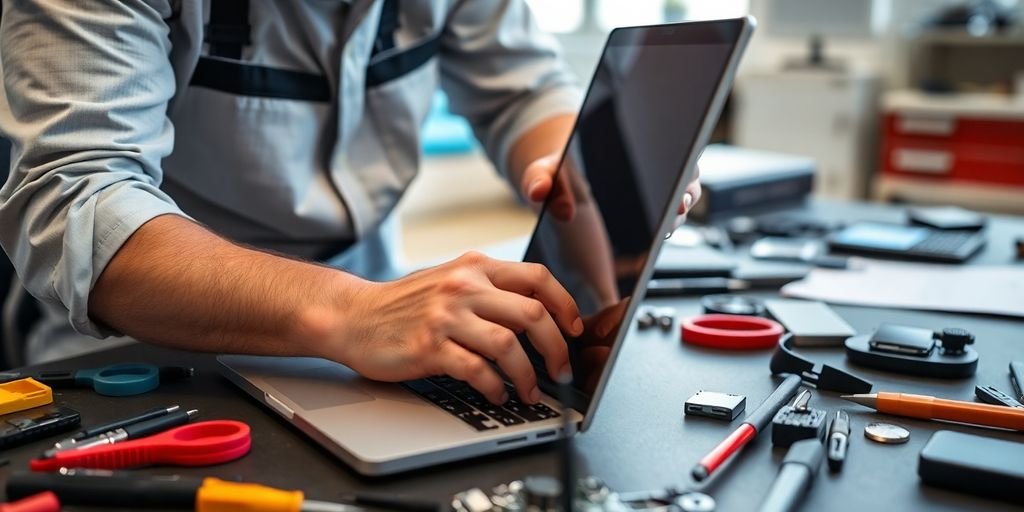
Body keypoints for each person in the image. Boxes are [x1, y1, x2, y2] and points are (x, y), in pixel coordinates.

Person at [0, 0, 700, 405]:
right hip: (144, 360)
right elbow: (76, 201)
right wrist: (348, 310)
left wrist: (566, 158)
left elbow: (522, 88)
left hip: (374, 340)